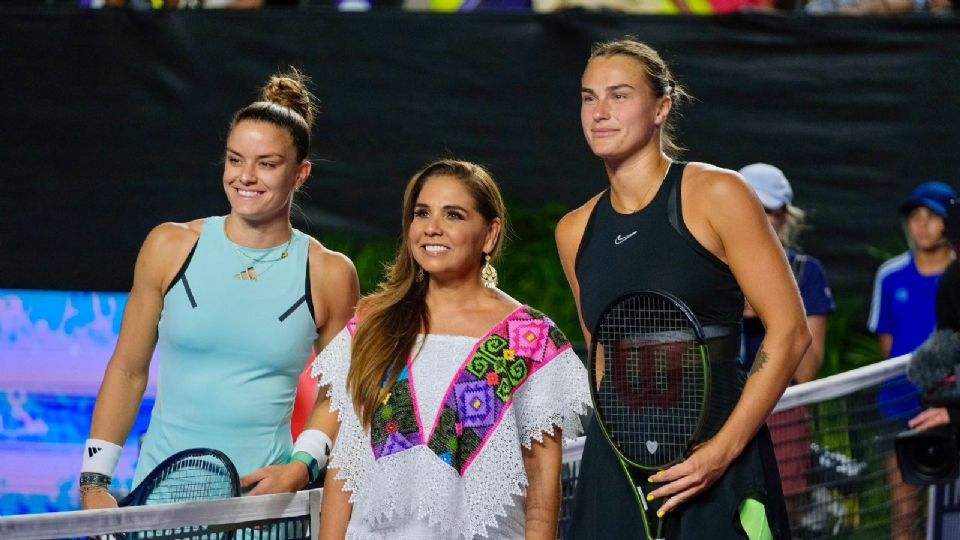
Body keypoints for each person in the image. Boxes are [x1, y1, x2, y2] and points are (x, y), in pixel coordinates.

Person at [557, 38, 811, 539]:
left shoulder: (718, 193)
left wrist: (722, 452)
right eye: (589, 97)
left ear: (662, 107)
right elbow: (603, 353)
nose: (599, 112)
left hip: (717, 456)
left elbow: (790, 334)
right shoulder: (573, 231)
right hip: (618, 462)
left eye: (619, 95)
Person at [80, 69, 359, 509]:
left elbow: (340, 391)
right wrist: (94, 482)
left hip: (263, 509)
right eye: (234, 160)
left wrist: (302, 465)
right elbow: (128, 370)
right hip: (161, 502)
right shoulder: (168, 246)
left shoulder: (330, 274)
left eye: (267, 164)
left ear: (300, 174)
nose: (245, 176)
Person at [315, 159, 591, 539]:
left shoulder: (531, 339)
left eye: (454, 215)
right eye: (422, 213)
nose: (432, 228)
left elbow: (543, 492)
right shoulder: (371, 325)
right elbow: (344, 470)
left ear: (490, 235)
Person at [739, 163, 835, 530]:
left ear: (784, 217)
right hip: (719, 412)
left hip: (784, 413)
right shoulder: (709, 270)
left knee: (784, 521)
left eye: (767, 212)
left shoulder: (807, 273)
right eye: (749, 210)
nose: (759, 222)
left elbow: (807, 371)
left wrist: (772, 310)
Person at [868, 180, 956, 540]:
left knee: (950, 515)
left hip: (953, 407)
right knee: (905, 514)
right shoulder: (889, 275)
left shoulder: (958, 274)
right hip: (900, 409)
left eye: (933, 216)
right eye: (915, 216)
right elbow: (887, 346)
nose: (922, 224)